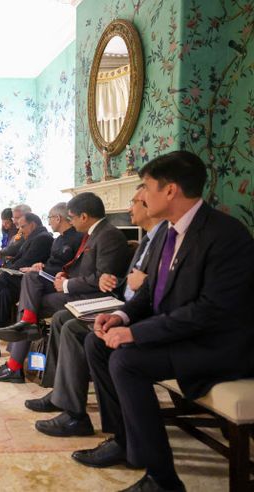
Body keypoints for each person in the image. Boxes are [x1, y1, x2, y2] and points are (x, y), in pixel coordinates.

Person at [75, 151, 254, 492]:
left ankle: (162, 480)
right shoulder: (165, 233)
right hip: (182, 333)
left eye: (146, 186)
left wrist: (135, 333)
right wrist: (120, 316)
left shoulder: (226, 235)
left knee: (127, 361)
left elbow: (209, 311)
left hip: (218, 344)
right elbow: (149, 292)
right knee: (96, 343)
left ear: (170, 190)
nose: (141, 196)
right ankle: (125, 441)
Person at [30, 188, 166, 438]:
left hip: (116, 304)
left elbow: (143, 284)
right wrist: (109, 280)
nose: (129, 208)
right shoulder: (146, 239)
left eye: (135, 201)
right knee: (59, 317)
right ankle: (61, 393)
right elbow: (120, 278)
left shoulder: (112, 235)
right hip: (118, 301)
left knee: (69, 324)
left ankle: (73, 411)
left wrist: (85, 283)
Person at [0, 192, 130, 383]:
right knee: (31, 280)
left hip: (92, 297)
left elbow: (103, 280)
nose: (70, 222)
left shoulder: (108, 235)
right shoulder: (94, 234)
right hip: (76, 288)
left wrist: (67, 283)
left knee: (29, 306)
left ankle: (15, 363)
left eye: (72, 217)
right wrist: (64, 274)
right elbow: (83, 268)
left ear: (83, 217)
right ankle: (21, 344)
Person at [0, 203, 83, 336]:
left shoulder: (72, 238)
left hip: (55, 279)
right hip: (43, 274)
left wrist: (45, 269)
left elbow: (71, 266)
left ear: (58, 218)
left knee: (5, 279)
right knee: (4, 287)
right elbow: (50, 261)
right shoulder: (58, 239)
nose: (49, 222)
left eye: (50, 218)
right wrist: (41, 265)